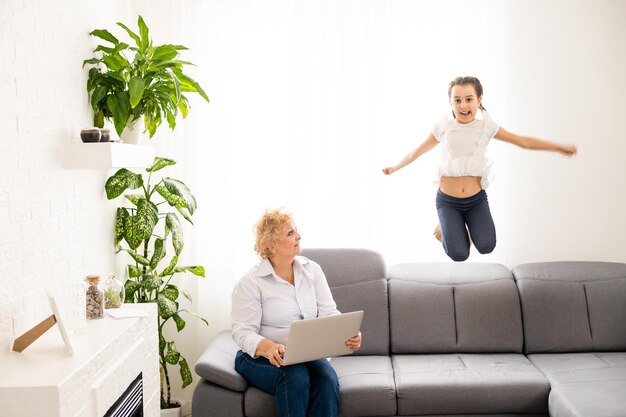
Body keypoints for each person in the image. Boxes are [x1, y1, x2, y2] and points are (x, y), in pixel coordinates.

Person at [382, 76, 577, 262]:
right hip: (448, 201)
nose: (463, 105)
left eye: (469, 99)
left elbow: (522, 141)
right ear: (450, 102)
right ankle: (446, 225)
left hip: (476, 201)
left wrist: (559, 147)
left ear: (479, 100)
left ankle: (453, 227)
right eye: (457, 100)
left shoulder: (487, 127)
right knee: (459, 254)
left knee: (486, 246)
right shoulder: (444, 127)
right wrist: (395, 167)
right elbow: (416, 152)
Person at [231, 208, 362, 417]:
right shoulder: (251, 283)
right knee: (295, 376)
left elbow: (329, 312)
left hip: (304, 353)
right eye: (290, 233)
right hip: (259, 357)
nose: (299, 236)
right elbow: (242, 331)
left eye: (296, 231)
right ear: (271, 246)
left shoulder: (312, 270)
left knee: (327, 380)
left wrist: (347, 333)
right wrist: (269, 347)